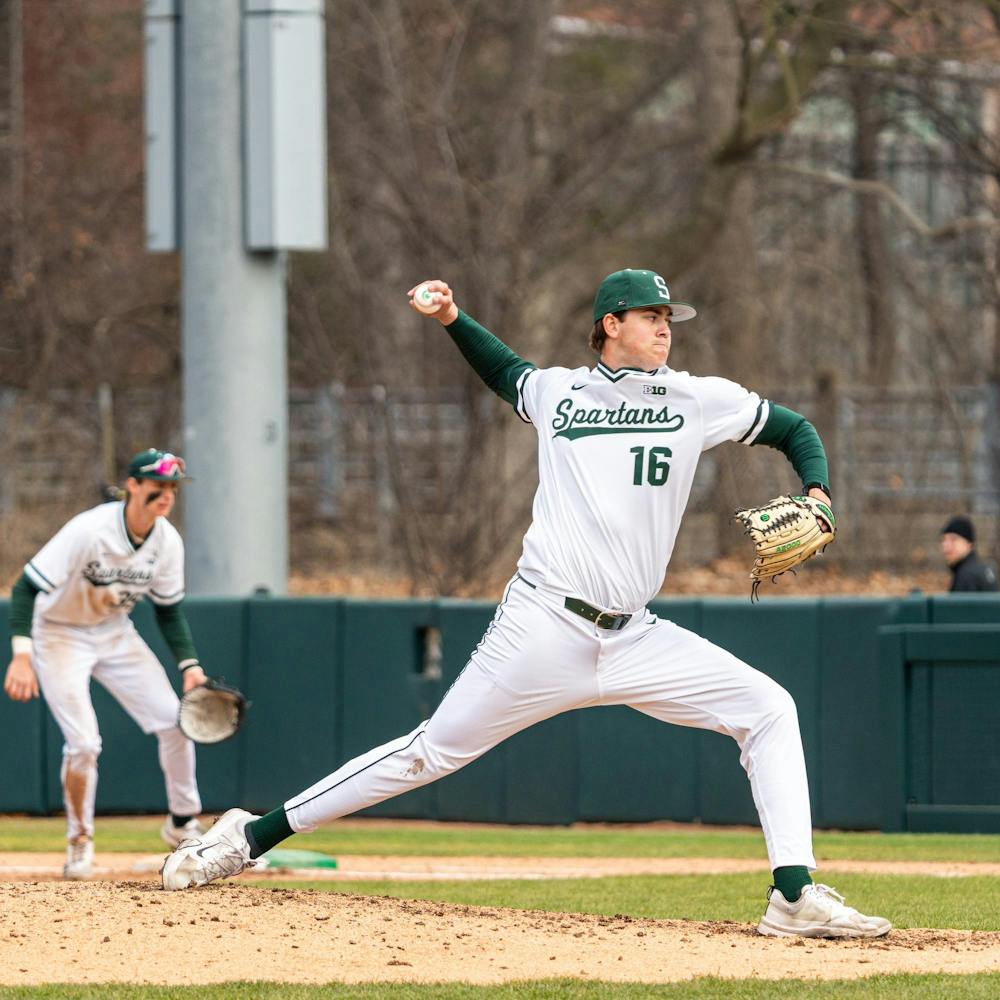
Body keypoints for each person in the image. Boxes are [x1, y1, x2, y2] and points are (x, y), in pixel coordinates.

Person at [162, 269, 890, 939]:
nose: (666, 328)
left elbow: (794, 428)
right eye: (651, 316)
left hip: (636, 636)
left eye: (670, 317)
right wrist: (451, 317)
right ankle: (248, 836)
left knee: (768, 708)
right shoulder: (559, 393)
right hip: (543, 624)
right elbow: (504, 369)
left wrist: (819, 492)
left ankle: (793, 895)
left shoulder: (697, 399)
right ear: (610, 324)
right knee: (430, 753)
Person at [4, 449, 208, 879]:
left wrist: (189, 665)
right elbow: (25, 588)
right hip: (58, 633)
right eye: (158, 485)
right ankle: (79, 841)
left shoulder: (167, 541)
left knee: (176, 722)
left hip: (114, 631)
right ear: (132, 485)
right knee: (83, 744)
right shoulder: (90, 530)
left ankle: (182, 823)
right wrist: (22, 654)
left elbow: (169, 610)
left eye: (172, 488)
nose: (166, 495)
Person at [940, 515, 998, 593]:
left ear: (969, 544)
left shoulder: (966, 576)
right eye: (944, 540)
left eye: (953, 539)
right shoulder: (982, 569)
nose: (946, 546)